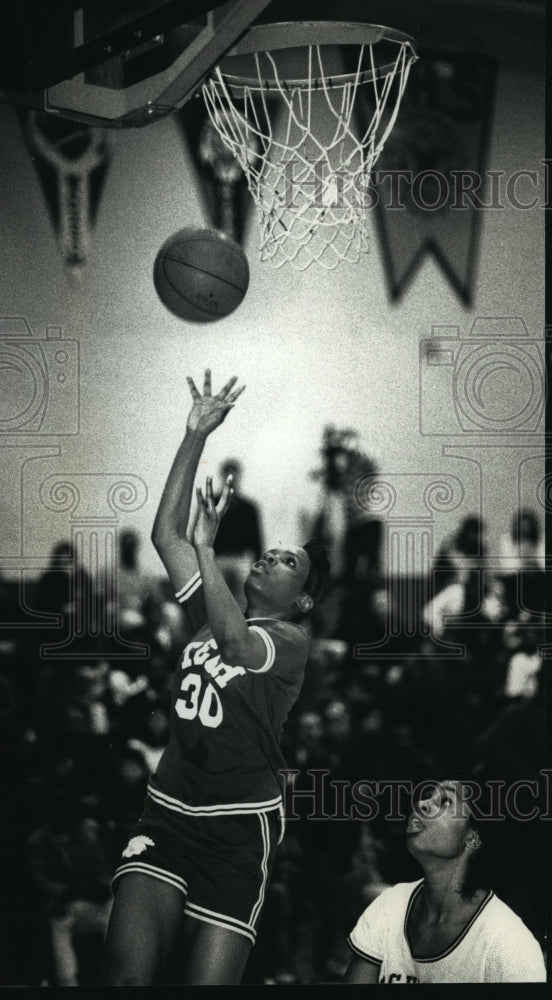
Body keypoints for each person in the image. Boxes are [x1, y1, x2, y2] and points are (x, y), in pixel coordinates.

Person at [102, 369, 330, 986]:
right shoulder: (215, 612)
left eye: (288, 560)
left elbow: (234, 640)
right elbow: (163, 534)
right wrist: (194, 433)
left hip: (237, 831)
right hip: (168, 814)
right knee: (125, 980)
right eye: (271, 550)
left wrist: (209, 547)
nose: (270, 556)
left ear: (303, 600)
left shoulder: (289, 642)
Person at [344, 779, 546, 983]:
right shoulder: (389, 907)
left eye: (445, 802)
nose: (421, 804)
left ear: (473, 837)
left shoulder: (510, 946)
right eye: (427, 796)